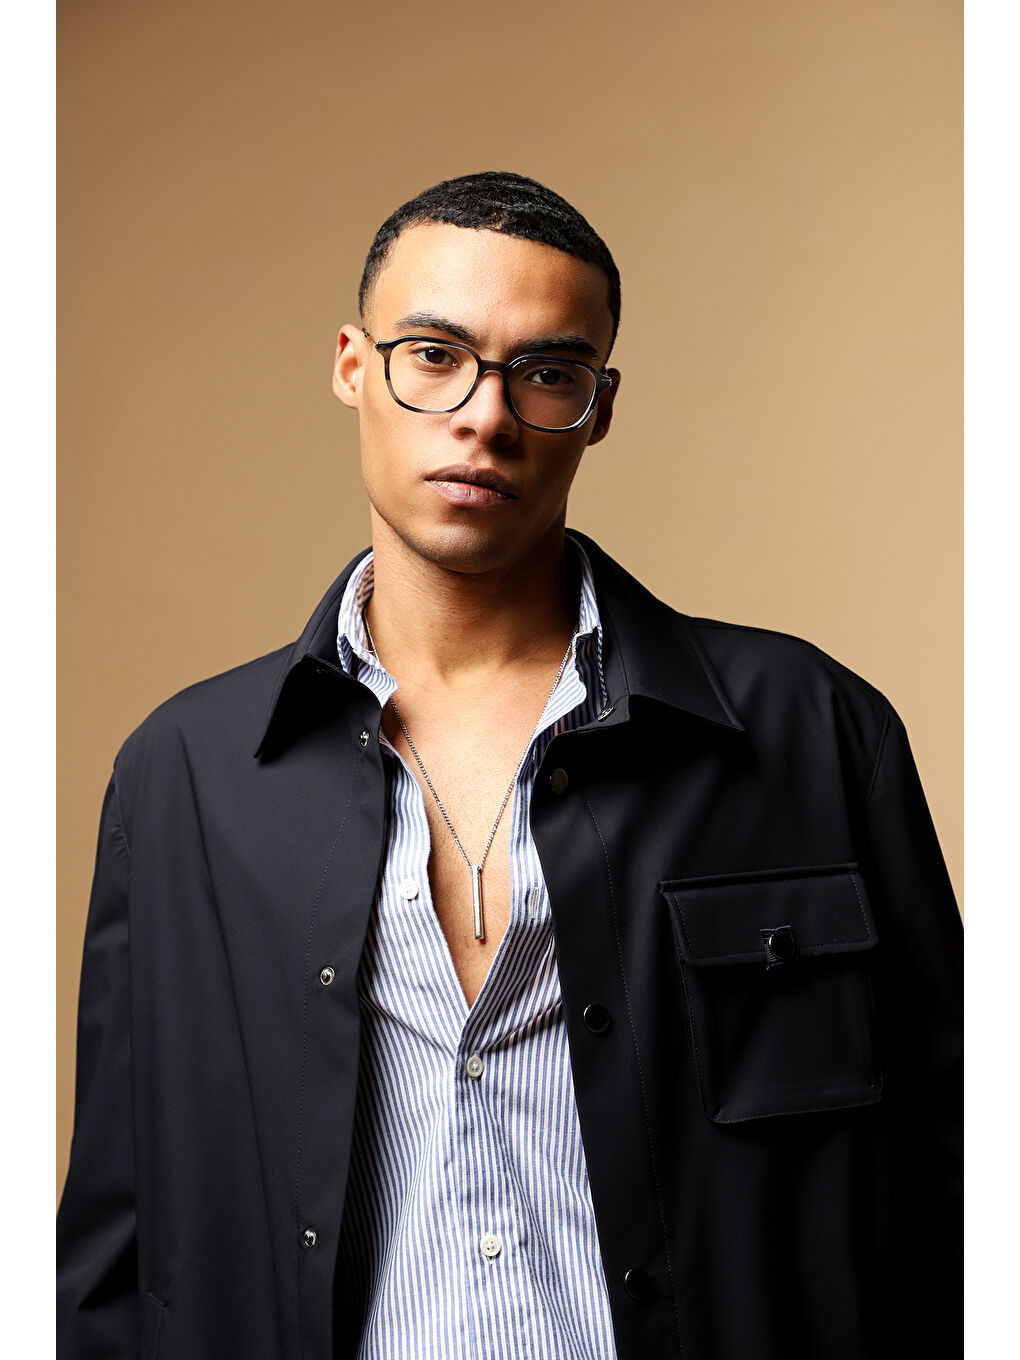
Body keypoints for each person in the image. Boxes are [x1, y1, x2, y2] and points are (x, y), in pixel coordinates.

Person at [56, 171, 962, 1360]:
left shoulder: (812, 732)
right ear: (352, 366)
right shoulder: (186, 774)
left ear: (599, 407)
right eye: (434, 356)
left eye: (545, 371)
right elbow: (119, 1239)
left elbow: (955, 1178)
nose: (484, 415)